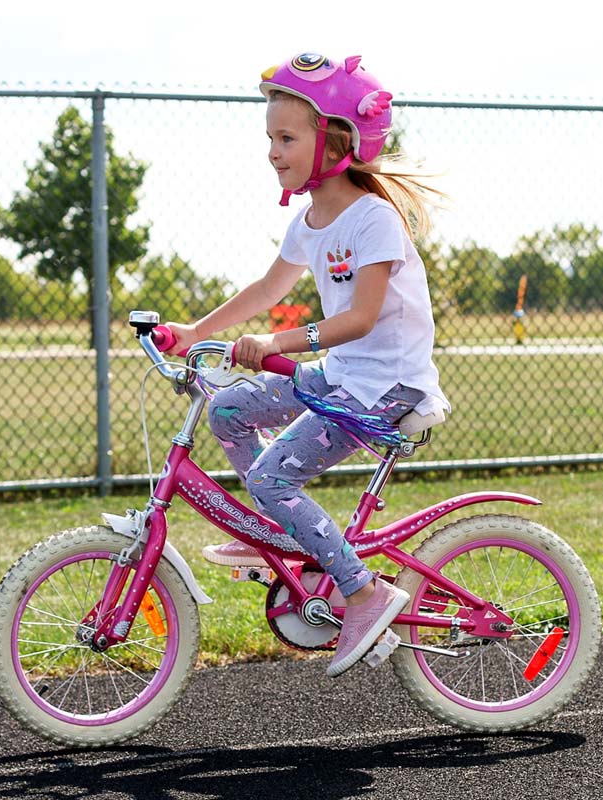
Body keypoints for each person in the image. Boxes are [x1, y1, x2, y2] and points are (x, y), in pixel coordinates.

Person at [165, 52, 449, 677]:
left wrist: (278, 345)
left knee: (271, 475)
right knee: (229, 408)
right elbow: (268, 289)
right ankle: (279, 534)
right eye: (270, 137)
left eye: (287, 137)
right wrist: (195, 333)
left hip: (384, 387)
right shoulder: (310, 220)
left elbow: (362, 318)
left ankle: (363, 593)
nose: (272, 150)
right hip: (347, 376)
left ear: (336, 140)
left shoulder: (372, 218)